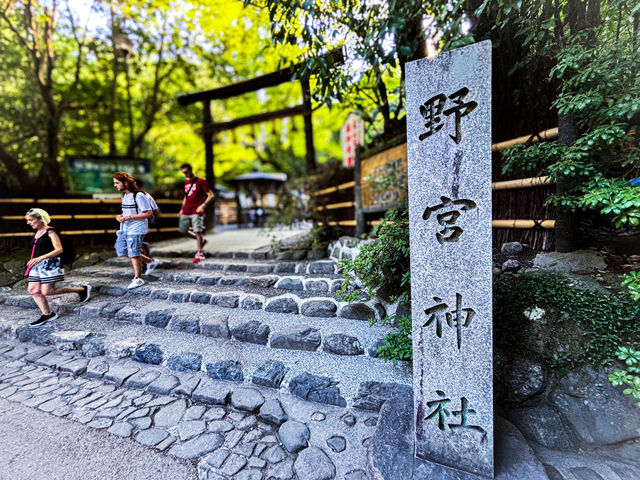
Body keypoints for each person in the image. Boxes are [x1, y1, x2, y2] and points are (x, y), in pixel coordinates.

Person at [25, 208, 91, 326]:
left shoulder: (50, 232)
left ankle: (82, 289)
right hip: (36, 265)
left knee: (47, 291)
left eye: (31, 220)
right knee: (32, 290)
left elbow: (59, 249)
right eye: (27, 220)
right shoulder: (37, 232)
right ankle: (47, 314)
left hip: (50, 264)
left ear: (41, 219)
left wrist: (40, 258)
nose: (28, 223)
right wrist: (35, 260)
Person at [112, 172, 154, 289]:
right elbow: (127, 213)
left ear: (125, 183)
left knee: (133, 252)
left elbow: (148, 212)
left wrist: (129, 217)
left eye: (117, 183)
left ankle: (138, 278)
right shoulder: (125, 196)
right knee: (121, 250)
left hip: (137, 228)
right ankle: (150, 261)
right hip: (125, 228)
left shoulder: (139, 195)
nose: (115, 185)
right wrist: (119, 217)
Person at [178, 163, 214, 263]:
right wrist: (181, 209)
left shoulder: (200, 181)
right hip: (187, 210)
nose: (185, 174)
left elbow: (210, 195)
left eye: (186, 172)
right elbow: (186, 197)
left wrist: (203, 206)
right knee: (182, 230)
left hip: (196, 209)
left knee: (198, 230)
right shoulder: (186, 183)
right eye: (183, 173)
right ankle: (202, 241)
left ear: (190, 170)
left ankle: (200, 252)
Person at [135, 178, 160, 275]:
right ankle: (147, 262)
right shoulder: (134, 196)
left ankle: (147, 262)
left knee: (142, 245)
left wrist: (150, 220)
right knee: (143, 245)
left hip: (144, 224)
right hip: (138, 224)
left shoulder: (145, 196)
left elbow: (157, 211)